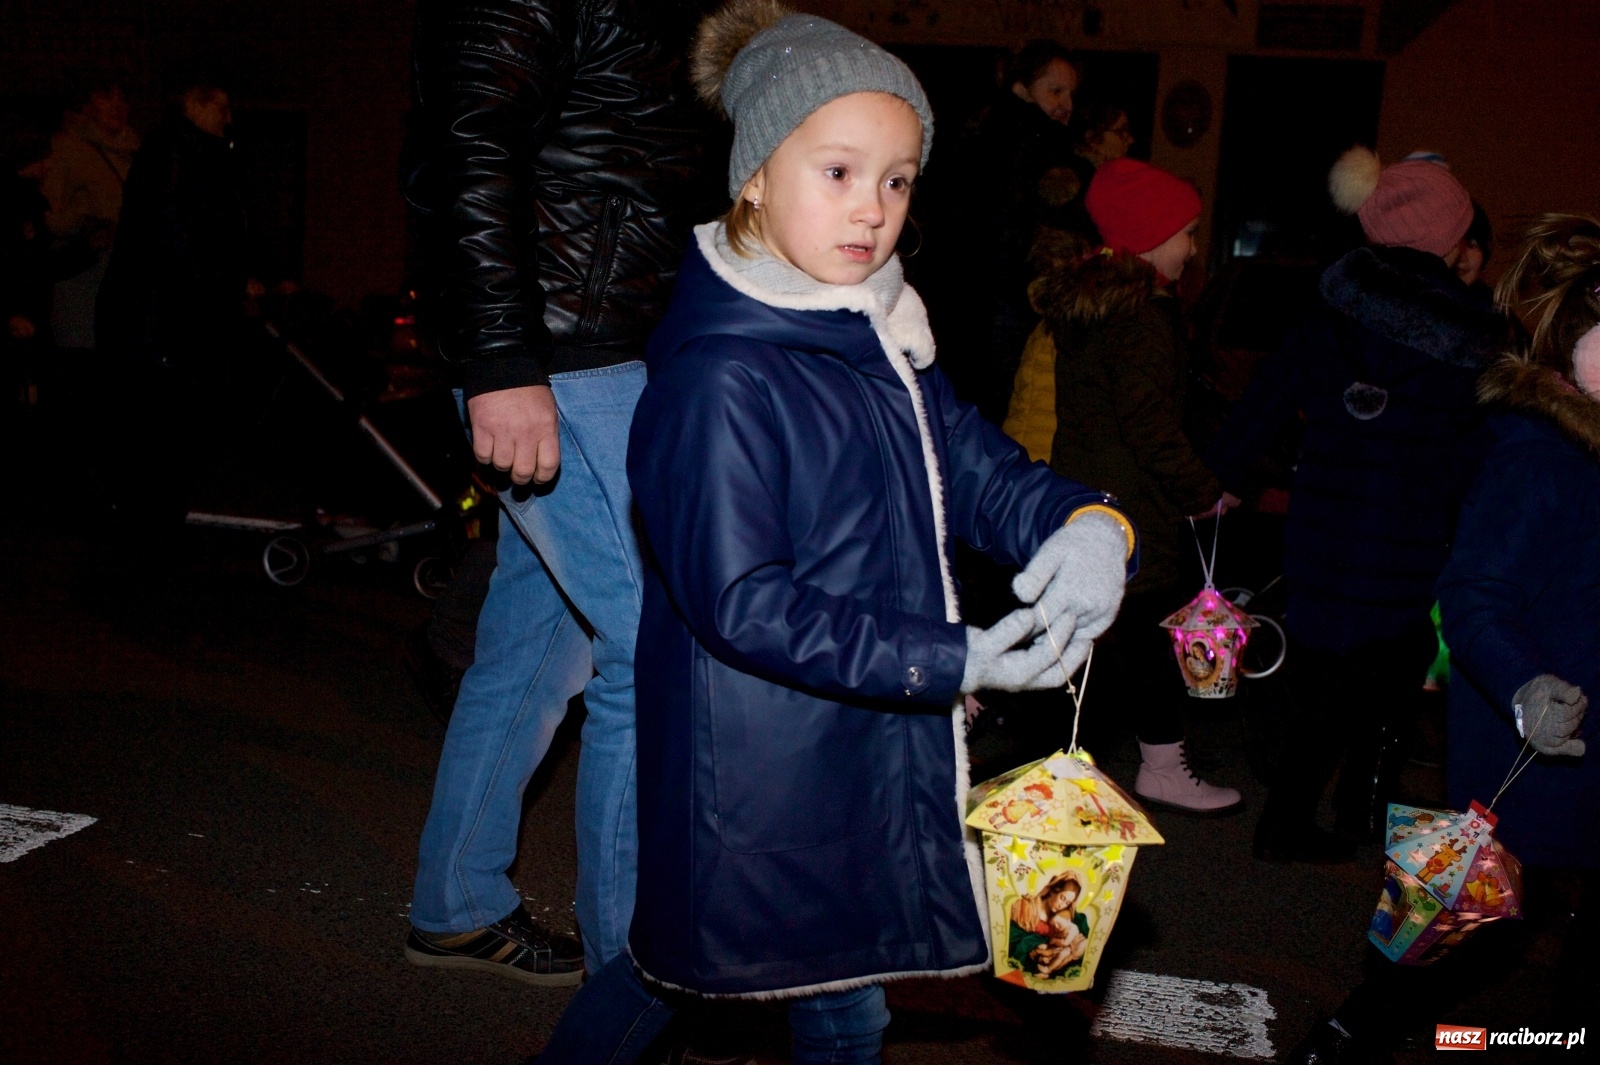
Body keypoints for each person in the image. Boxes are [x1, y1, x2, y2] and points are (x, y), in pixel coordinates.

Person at [530, 4, 1136, 1061]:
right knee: (694, 972)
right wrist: (950, 656)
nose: (872, 209)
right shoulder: (720, 376)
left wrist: (1086, 524)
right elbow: (741, 605)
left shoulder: (875, 334)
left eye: (897, 181)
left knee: (824, 987)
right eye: (840, 172)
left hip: (858, 737)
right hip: (759, 773)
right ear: (755, 177)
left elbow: (976, 467)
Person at [399, 0, 716, 987]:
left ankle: (455, 903)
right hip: (564, 355)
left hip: (607, 345)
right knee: (654, 649)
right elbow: (468, 141)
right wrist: (499, 359)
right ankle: (633, 981)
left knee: (537, 648)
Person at [1285, 213, 1599, 1065]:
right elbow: (1473, 593)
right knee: (1468, 923)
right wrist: (1525, 684)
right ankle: (1345, 1039)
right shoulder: (1540, 456)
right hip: (1534, 752)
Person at [1207, 147, 1509, 862]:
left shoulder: (1333, 308)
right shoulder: (1470, 331)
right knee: (1392, 662)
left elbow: (1270, 394)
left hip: (1325, 522)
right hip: (1409, 532)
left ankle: (1321, 812)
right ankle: (1346, 810)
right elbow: (1480, 445)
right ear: (1450, 234)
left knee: (1328, 672)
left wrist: (1221, 476)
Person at [1022, 159, 1242, 815]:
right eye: (1187, 233)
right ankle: (1145, 769)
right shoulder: (1141, 316)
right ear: (1149, 238)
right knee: (1136, 645)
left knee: (1096, 643)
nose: (1194, 248)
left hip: (1091, 502)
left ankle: (1066, 767)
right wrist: (1201, 491)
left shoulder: (1101, 309)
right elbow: (1149, 425)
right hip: (1129, 512)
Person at [95, 75, 254, 542]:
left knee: (167, 429)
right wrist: (225, 283)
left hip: (167, 316)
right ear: (195, 105)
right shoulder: (174, 153)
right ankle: (146, 527)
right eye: (220, 106)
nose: (228, 118)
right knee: (158, 427)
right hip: (158, 319)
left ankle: (152, 522)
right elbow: (173, 232)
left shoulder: (193, 154)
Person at [42, 78, 138, 359]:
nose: (118, 105)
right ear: (85, 104)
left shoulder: (132, 153)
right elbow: (46, 214)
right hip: (83, 283)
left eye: (123, 97)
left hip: (123, 284)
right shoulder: (65, 148)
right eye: (107, 96)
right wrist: (85, 220)